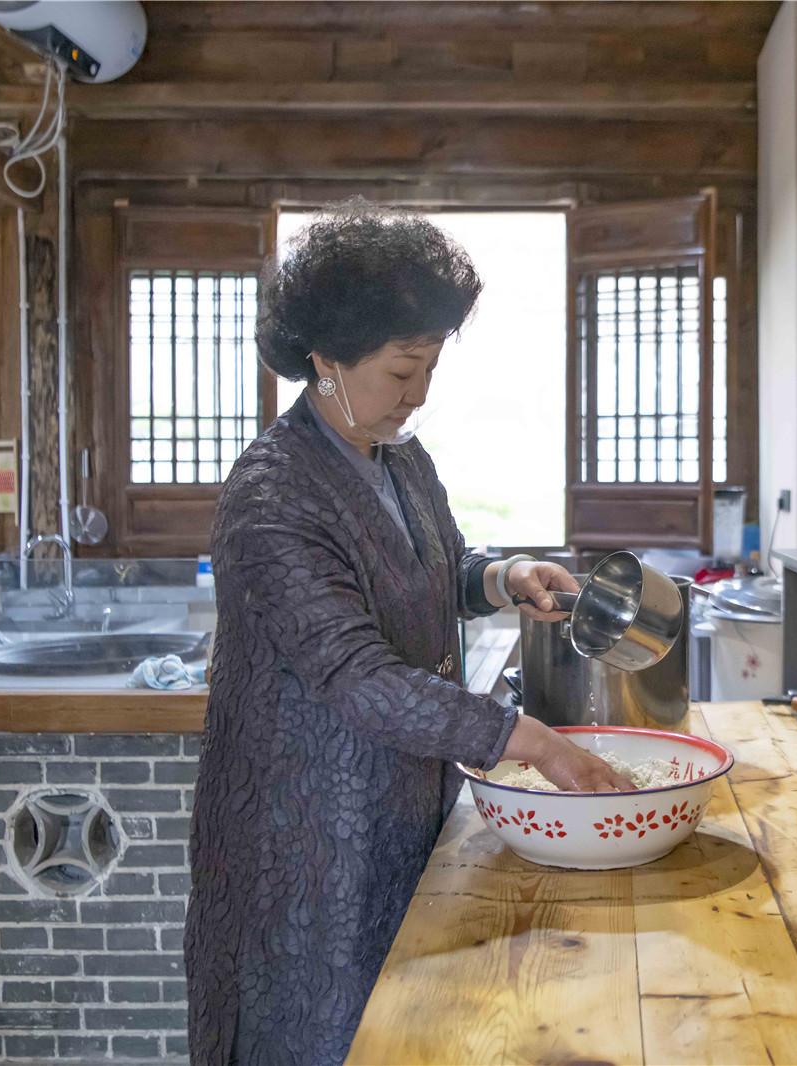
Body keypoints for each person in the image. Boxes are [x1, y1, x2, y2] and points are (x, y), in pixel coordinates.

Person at [184, 203, 631, 1064]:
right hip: (306, 836)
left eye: (429, 367)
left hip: (400, 809)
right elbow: (359, 676)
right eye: (401, 369)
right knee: (316, 1030)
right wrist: (529, 741)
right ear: (326, 359)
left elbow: (440, 568)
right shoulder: (273, 494)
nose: (418, 392)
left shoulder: (400, 458)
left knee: (407, 1031)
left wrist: (504, 578)